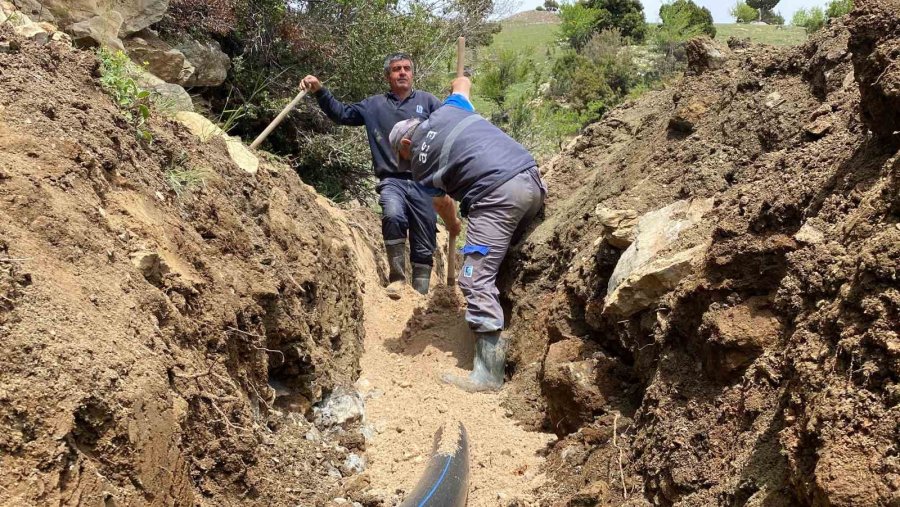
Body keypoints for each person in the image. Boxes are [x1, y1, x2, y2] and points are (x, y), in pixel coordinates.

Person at [389, 76, 546, 392]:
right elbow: (463, 84)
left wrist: (454, 226)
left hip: (497, 196)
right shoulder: (450, 108)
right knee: (501, 264)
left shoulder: (418, 162)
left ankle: (488, 374)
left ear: (406, 145)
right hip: (531, 181)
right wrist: (458, 81)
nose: (407, 164)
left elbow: (443, 202)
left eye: (402, 157)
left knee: (473, 277)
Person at [300, 54, 442, 298]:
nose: (402, 73)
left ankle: (421, 293)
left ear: (412, 74)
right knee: (393, 215)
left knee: (425, 232)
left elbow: (448, 127)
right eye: (396, 69)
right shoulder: (374, 105)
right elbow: (342, 114)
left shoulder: (429, 103)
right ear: (388, 76)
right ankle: (397, 279)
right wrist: (320, 91)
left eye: (407, 68)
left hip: (423, 181)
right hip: (391, 179)